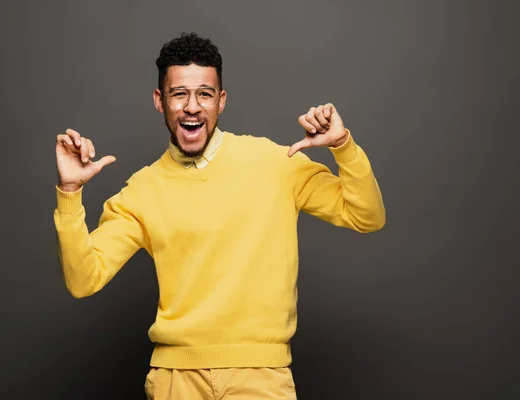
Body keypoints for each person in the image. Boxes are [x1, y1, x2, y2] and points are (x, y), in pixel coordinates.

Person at [54, 32, 385, 400]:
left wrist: (343, 147)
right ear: (159, 101)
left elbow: (366, 215)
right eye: (179, 94)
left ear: (221, 101)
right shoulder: (141, 191)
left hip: (261, 377)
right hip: (175, 381)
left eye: (205, 94)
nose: (192, 106)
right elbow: (83, 280)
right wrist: (70, 193)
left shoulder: (276, 164)